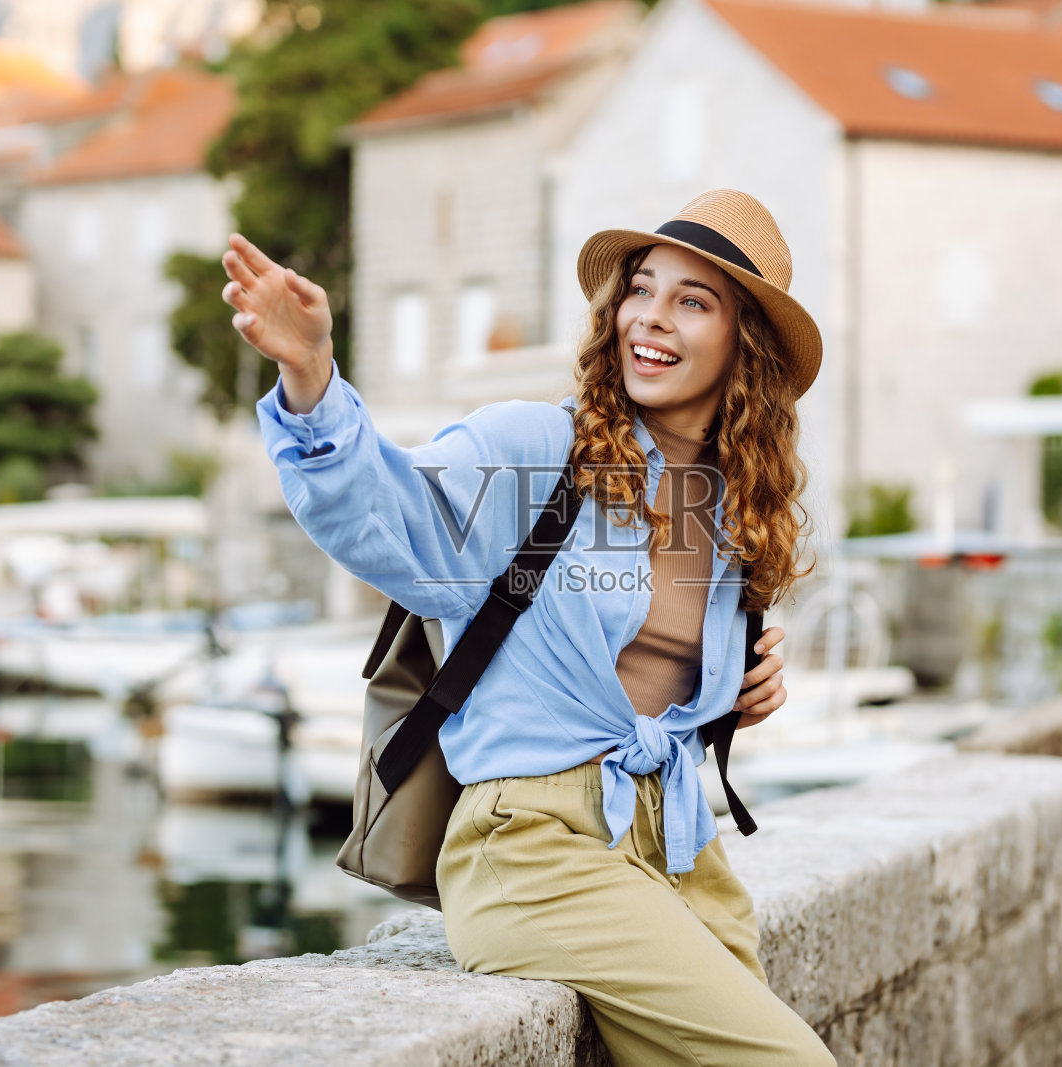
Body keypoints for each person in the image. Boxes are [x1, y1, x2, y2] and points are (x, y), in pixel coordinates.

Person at [226, 189, 835, 1065]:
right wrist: (313, 377)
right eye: (641, 288)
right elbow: (385, 515)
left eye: (692, 301)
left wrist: (736, 690)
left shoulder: (735, 508)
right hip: (531, 846)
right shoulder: (537, 449)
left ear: (748, 345)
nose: (650, 316)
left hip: (672, 843)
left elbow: (643, 685)